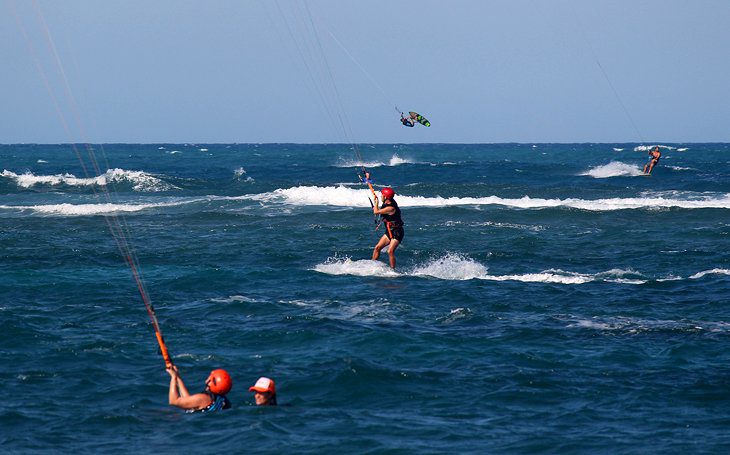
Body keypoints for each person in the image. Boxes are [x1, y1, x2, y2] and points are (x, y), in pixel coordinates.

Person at [166, 365, 232, 413]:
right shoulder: (222, 400)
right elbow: (189, 402)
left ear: (210, 381)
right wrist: (178, 377)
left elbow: (173, 401)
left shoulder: (203, 398)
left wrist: (173, 377)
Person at [371, 187, 404, 269]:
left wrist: (375, 203)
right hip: (389, 231)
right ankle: (372, 265)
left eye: (382, 195)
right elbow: (381, 210)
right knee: (377, 248)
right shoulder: (388, 202)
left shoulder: (391, 208)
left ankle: (393, 270)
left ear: (385, 197)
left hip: (397, 232)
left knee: (390, 251)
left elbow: (376, 212)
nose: (381, 196)